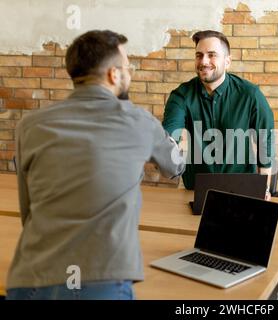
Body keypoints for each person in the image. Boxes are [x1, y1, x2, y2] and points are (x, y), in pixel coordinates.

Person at [6, 30, 185, 300]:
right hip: (100, 280)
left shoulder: (29, 126)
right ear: (114, 74)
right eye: (128, 67)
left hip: (30, 277)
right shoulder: (139, 121)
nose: (131, 73)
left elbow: (27, 210)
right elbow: (176, 166)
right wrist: (178, 142)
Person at [162, 30, 275, 199]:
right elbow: (169, 134)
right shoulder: (181, 95)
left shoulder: (250, 94)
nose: (204, 61)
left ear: (227, 61)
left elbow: (265, 140)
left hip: (242, 190)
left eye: (211, 55)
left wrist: (264, 188)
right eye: (199, 55)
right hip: (194, 191)